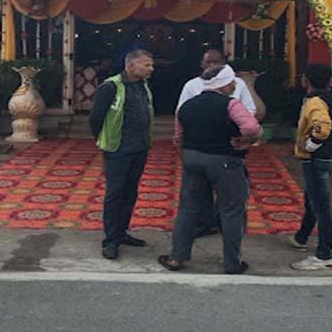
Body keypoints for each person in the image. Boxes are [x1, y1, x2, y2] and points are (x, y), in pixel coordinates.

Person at [159, 64, 261, 275]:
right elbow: (251, 127)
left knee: (188, 208)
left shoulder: (186, 106)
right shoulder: (231, 104)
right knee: (231, 210)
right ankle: (232, 263)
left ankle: (176, 257)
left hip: (192, 159)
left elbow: (178, 138)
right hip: (225, 161)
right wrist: (247, 140)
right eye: (232, 82)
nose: (234, 85)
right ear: (224, 84)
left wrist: (187, 158)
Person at [175, 49, 258, 237]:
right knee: (202, 196)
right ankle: (208, 225)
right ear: (201, 64)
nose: (212, 66)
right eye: (208, 62)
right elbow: (181, 114)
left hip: (225, 149)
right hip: (204, 148)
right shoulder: (192, 85)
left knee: (228, 197)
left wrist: (243, 136)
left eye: (217, 62)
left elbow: (250, 112)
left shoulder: (237, 85)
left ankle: (221, 226)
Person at [88, 49, 155, 260]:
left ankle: (122, 231)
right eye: (146, 65)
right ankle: (110, 240)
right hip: (118, 149)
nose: (151, 69)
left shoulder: (143, 85)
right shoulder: (110, 87)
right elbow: (96, 117)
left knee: (130, 192)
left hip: (140, 147)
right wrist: (103, 139)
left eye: (151, 64)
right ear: (131, 66)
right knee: (115, 194)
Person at [288, 63, 332, 271]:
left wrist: (311, 144)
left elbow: (322, 128)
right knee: (312, 198)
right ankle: (301, 237)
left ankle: (324, 255)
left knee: (321, 206)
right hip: (328, 155)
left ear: (306, 80)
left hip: (317, 157)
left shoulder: (315, 101)